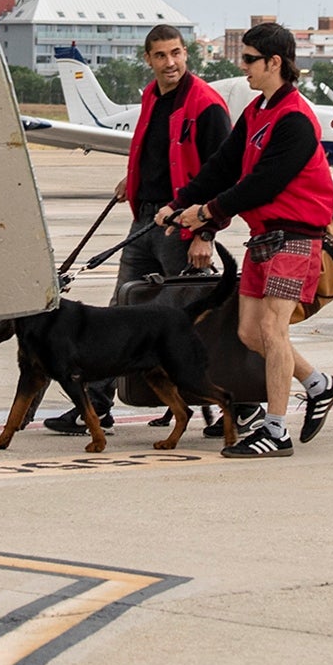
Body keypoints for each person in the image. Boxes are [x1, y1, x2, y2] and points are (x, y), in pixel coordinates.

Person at [158, 22, 333, 459]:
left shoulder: (296, 119)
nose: (242, 67)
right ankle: (320, 385)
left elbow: (262, 183)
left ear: (274, 62)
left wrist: (206, 212)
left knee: (271, 329)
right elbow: (223, 167)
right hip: (264, 236)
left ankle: (276, 430)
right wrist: (179, 202)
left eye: (249, 59)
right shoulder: (258, 110)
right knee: (249, 331)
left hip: (295, 236)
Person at [44, 24, 234, 436]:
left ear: (187, 55)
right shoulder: (151, 96)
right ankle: (94, 406)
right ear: (148, 60)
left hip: (182, 229)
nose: (171, 63)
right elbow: (152, 148)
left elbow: (224, 174)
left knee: (190, 322)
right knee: (118, 316)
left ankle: (232, 405)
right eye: (162, 55)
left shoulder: (206, 105)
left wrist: (207, 233)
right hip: (144, 220)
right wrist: (134, 179)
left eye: (177, 54)